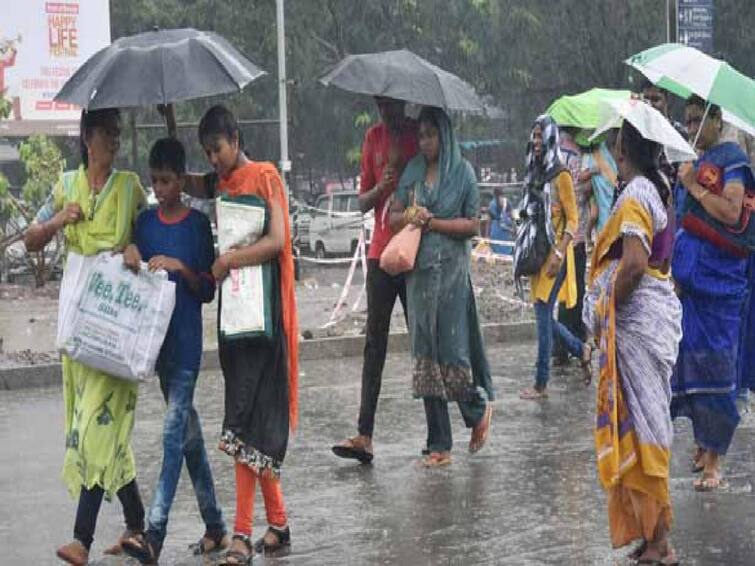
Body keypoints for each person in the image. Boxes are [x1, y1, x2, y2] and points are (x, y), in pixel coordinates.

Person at [24, 108, 146, 566]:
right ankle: (139, 529)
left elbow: (156, 231)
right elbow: (31, 239)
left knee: (96, 424)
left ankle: (82, 539)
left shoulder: (131, 188)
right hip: (77, 323)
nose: (115, 140)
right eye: (107, 133)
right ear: (86, 137)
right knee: (96, 426)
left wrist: (138, 247)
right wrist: (59, 220)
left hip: (117, 325)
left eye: (118, 132)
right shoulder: (65, 186)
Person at [184, 104, 299, 565]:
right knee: (249, 420)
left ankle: (242, 535)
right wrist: (173, 125)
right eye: (207, 152)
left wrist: (230, 260)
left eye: (217, 149)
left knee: (242, 422)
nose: (213, 159)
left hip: (263, 316)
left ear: (235, 138)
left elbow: (278, 241)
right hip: (233, 318)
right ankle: (279, 522)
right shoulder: (218, 183)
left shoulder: (265, 175)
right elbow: (188, 182)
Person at [119, 138, 228, 563]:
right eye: (155, 181)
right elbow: (130, 267)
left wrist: (183, 269)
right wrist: (130, 253)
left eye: (166, 181)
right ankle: (215, 526)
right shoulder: (144, 224)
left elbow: (207, 290)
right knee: (188, 437)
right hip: (155, 346)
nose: (160, 188)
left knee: (170, 434)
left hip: (186, 346)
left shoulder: (198, 227)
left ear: (182, 180)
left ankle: (155, 532)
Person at [585, 121, 682, 565]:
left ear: (622, 146)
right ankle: (652, 534)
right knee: (646, 426)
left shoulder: (639, 193)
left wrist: (604, 308)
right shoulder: (653, 189)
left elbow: (636, 264)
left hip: (638, 326)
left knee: (646, 430)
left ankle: (660, 542)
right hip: (645, 325)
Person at [389, 107, 493, 467]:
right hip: (418, 275)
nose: (425, 142)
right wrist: (410, 216)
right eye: (421, 136)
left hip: (450, 275)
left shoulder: (462, 173)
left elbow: (473, 225)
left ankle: (477, 410)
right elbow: (392, 215)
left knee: (452, 351)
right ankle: (439, 444)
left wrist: (436, 223)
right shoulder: (414, 171)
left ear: (444, 136)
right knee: (425, 355)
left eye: (431, 135)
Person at [671, 95, 754, 491]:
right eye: (686, 121)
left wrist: (693, 185)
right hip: (691, 287)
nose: (690, 127)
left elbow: (733, 213)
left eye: (695, 120)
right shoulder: (697, 159)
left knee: (716, 368)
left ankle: (715, 464)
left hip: (719, 288)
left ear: (715, 119)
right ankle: (704, 445)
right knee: (690, 366)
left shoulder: (732, 159)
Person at [332, 96, 417, 463]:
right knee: (374, 344)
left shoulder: (419, 135)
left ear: (403, 103)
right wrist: (385, 183)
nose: (386, 112)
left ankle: (444, 430)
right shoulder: (373, 138)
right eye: (380, 105)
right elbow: (363, 201)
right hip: (380, 253)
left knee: (423, 339)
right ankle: (364, 434)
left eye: (391, 105)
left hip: (413, 251)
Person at [518, 115, 592, 400]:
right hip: (537, 256)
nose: (536, 142)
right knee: (545, 315)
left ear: (551, 139)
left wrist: (559, 253)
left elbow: (573, 221)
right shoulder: (533, 173)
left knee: (541, 314)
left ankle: (541, 383)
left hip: (556, 258)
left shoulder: (561, 175)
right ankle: (580, 348)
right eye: (534, 136)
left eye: (541, 136)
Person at [554, 128, 587, 364]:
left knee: (561, 294)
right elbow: (578, 196)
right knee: (573, 294)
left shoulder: (553, 157)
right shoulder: (575, 159)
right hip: (575, 237)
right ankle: (571, 344)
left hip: (557, 239)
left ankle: (564, 346)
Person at [487, 187, 515, 255]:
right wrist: (514, 228)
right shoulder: (507, 202)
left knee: (496, 250)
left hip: (495, 229)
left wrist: (487, 234)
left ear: (494, 194)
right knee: (506, 249)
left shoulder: (491, 204)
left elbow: (489, 221)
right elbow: (512, 217)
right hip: (506, 230)